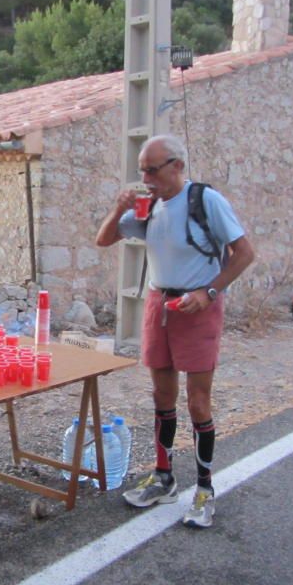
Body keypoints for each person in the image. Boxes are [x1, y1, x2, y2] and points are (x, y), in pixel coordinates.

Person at [95, 134, 255, 528]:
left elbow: (245, 253)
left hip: (198, 307)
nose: (147, 179)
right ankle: (164, 477)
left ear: (177, 166)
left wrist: (211, 291)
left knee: (198, 402)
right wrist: (119, 209)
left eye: (153, 169)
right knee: (161, 395)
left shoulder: (205, 201)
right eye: (142, 171)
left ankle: (204, 489)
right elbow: (103, 239)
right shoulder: (149, 208)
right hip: (158, 305)